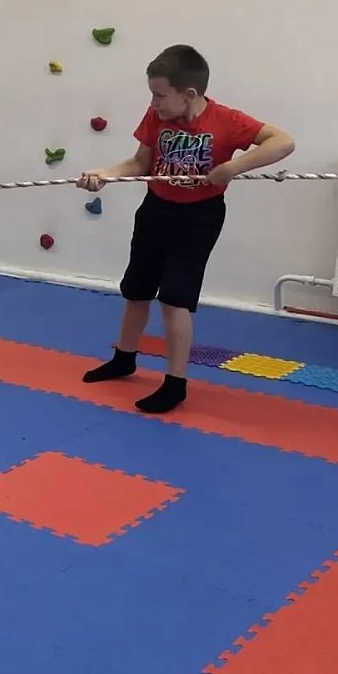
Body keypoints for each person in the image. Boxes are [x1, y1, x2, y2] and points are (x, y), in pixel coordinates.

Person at [77, 44, 296, 414]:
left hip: (198, 218)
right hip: (156, 210)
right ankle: (124, 358)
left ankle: (175, 383)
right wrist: (106, 174)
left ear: (189, 94)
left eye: (160, 95)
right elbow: (139, 163)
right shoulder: (157, 116)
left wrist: (232, 168)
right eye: (152, 94)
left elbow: (283, 142)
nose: (154, 103)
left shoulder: (227, 120)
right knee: (136, 289)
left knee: (175, 299)